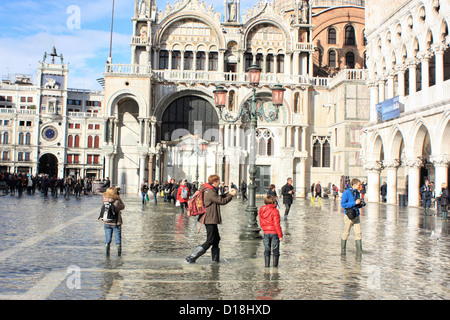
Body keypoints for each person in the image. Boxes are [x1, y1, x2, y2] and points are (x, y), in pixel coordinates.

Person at [185, 174, 237, 263]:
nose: (219, 183)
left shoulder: (208, 189)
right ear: (214, 182)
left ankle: (215, 260)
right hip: (209, 218)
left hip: (211, 218)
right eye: (218, 181)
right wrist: (231, 195)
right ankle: (192, 257)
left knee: (216, 239)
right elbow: (221, 201)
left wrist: (228, 193)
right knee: (210, 240)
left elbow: (217, 198)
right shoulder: (209, 191)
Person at [258, 195, 283, 268]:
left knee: (267, 250)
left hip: (266, 232)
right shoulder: (275, 211)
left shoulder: (261, 210)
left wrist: (264, 229)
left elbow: (261, 221)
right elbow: (276, 224)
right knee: (275, 250)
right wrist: (280, 235)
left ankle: (267, 266)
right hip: (274, 233)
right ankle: (275, 267)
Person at [100, 187, 125, 256]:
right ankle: (118, 255)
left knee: (107, 239)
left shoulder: (105, 200)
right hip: (115, 223)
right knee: (117, 239)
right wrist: (118, 197)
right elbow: (123, 206)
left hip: (106, 222)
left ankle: (107, 254)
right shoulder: (116, 201)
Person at [340, 178, 363, 255]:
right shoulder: (346, 193)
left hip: (356, 215)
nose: (360, 187)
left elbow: (357, 204)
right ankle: (343, 251)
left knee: (358, 233)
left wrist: (360, 204)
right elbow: (343, 204)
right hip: (349, 216)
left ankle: (359, 251)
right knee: (346, 233)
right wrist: (354, 203)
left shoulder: (357, 192)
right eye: (359, 185)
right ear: (354, 184)